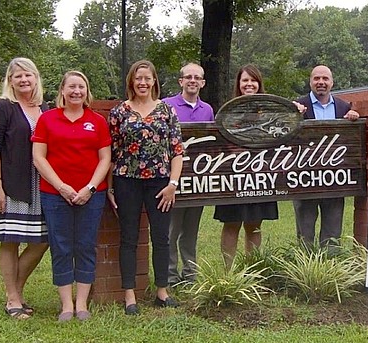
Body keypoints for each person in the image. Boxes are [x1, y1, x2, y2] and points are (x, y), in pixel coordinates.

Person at [32, 71, 111, 321]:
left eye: (81, 87)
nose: (77, 91)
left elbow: (105, 158)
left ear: (87, 92)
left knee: (86, 245)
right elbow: (39, 157)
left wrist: (89, 188)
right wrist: (62, 187)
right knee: (61, 246)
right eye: (72, 87)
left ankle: (82, 304)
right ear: (62, 91)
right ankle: (66, 305)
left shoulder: (97, 121)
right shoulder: (47, 119)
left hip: (92, 195)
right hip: (55, 195)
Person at [108, 60, 184, 315]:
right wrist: (109, 187)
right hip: (126, 180)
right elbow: (111, 151)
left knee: (161, 237)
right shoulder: (120, 112)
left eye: (147, 78)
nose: (142, 82)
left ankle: (162, 291)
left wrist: (173, 184)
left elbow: (176, 151)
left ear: (154, 81)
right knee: (129, 237)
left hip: (160, 182)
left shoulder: (167, 111)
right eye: (138, 78)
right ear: (131, 81)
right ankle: (129, 295)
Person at [0, 57, 49, 320]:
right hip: (9, 185)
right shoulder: (3, 107)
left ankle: (16, 291)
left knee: (43, 240)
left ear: (36, 78)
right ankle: (13, 299)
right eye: (17, 76)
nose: (23, 80)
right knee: (10, 241)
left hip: (39, 185)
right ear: (10, 81)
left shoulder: (44, 108)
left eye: (28, 75)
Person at [214, 64, 279, 267]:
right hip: (234, 176)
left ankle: (253, 271)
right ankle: (228, 273)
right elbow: (221, 140)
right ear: (238, 84)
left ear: (259, 84)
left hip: (260, 175)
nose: (249, 84)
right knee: (231, 224)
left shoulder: (269, 111)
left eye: (253, 80)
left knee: (254, 225)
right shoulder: (229, 110)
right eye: (245, 80)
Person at [293, 65, 360, 249]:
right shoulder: (298, 106)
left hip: (335, 179)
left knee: (332, 232)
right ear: (310, 82)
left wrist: (353, 118)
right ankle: (305, 270)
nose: (321, 82)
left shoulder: (344, 107)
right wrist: (290, 113)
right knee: (305, 231)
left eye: (325, 79)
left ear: (332, 82)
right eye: (316, 79)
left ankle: (329, 269)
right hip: (305, 179)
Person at [162, 63, 214, 286]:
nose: (192, 81)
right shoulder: (165, 106)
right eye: (188, 77)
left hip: (197, 179)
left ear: (202, 83)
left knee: (191, 230)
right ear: (181, 81)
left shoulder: (207, 110)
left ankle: (191, 274)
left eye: (197, 78)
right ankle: (171, 275)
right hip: (172, 179)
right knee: (171, 230)